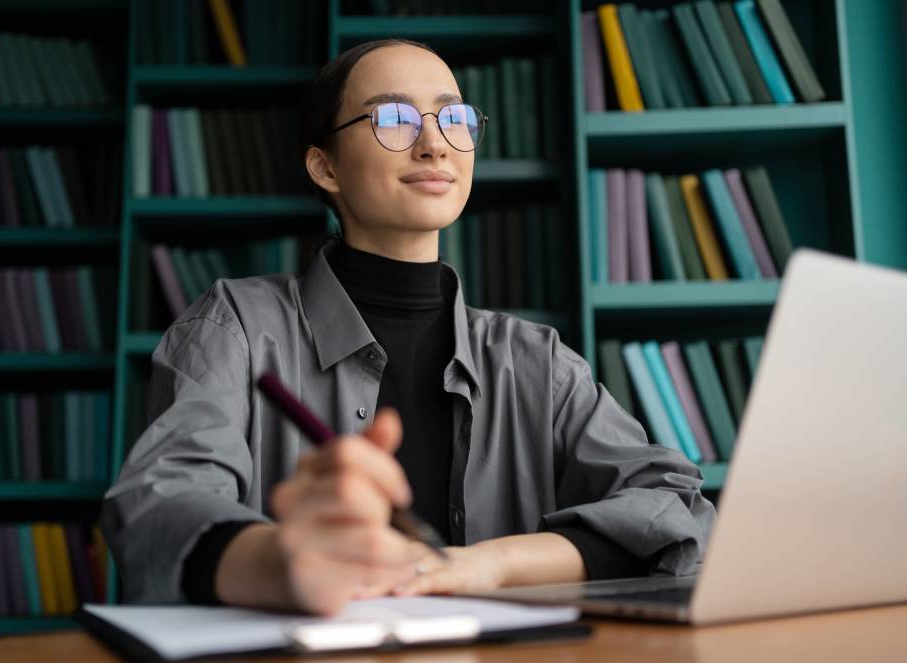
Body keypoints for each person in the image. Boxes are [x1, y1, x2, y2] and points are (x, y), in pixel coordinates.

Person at [100, 38, 716, 616]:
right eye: (393, 119)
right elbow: (159, 505)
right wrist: (281, 563)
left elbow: (679, 509)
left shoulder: (538, 360)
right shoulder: (234, 325)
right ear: (325, 167)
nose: (434, 144)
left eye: (454, 119)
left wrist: (488, 566)